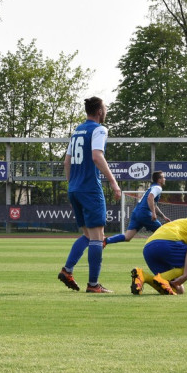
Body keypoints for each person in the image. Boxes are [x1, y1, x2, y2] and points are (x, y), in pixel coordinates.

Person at [57, 96, 121, 293]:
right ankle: (93, 285)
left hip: (74, 188)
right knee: (97, 237)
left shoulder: (77, 131)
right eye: (105, 108)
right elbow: (96, 155)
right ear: (100, 111)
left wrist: (72, 184)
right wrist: (113, 181)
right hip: (90, 189)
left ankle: (67, 270)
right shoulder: (99, 129)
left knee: (87, 235)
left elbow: (66, 162)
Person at [130, 209, 187, 295]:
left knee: (178, 289)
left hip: (148, 248)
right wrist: (186, 275)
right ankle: (150, 278)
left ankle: (143, 276)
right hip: (166, 243)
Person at [104, 171, 169, 246]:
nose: (165, 179)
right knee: (162, 232)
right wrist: (153, 213)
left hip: (136, 212)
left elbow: (153, 204)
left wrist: (163, 216)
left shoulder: (151, 187)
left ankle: (106, 241)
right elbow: (150, 198)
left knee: (127, 237)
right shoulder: (158, 187)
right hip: (144, 213)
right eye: (163, 177)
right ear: (159, 180)